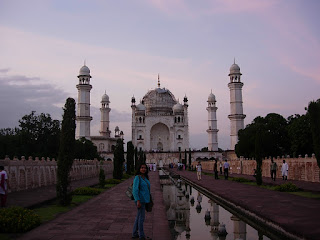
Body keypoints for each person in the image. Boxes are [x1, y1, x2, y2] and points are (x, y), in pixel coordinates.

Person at [132, 163, 151, 240]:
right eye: (142, 168)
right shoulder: (137, 177)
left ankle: (134, 233)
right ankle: (141, 236)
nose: (143, 169)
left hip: (144, 200)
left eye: (145, 168)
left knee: (138, 217)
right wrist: (138, 201)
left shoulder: (145, 178)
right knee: (141, 218)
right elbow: (135, 190)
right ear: (139, 169)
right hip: (140, 200)